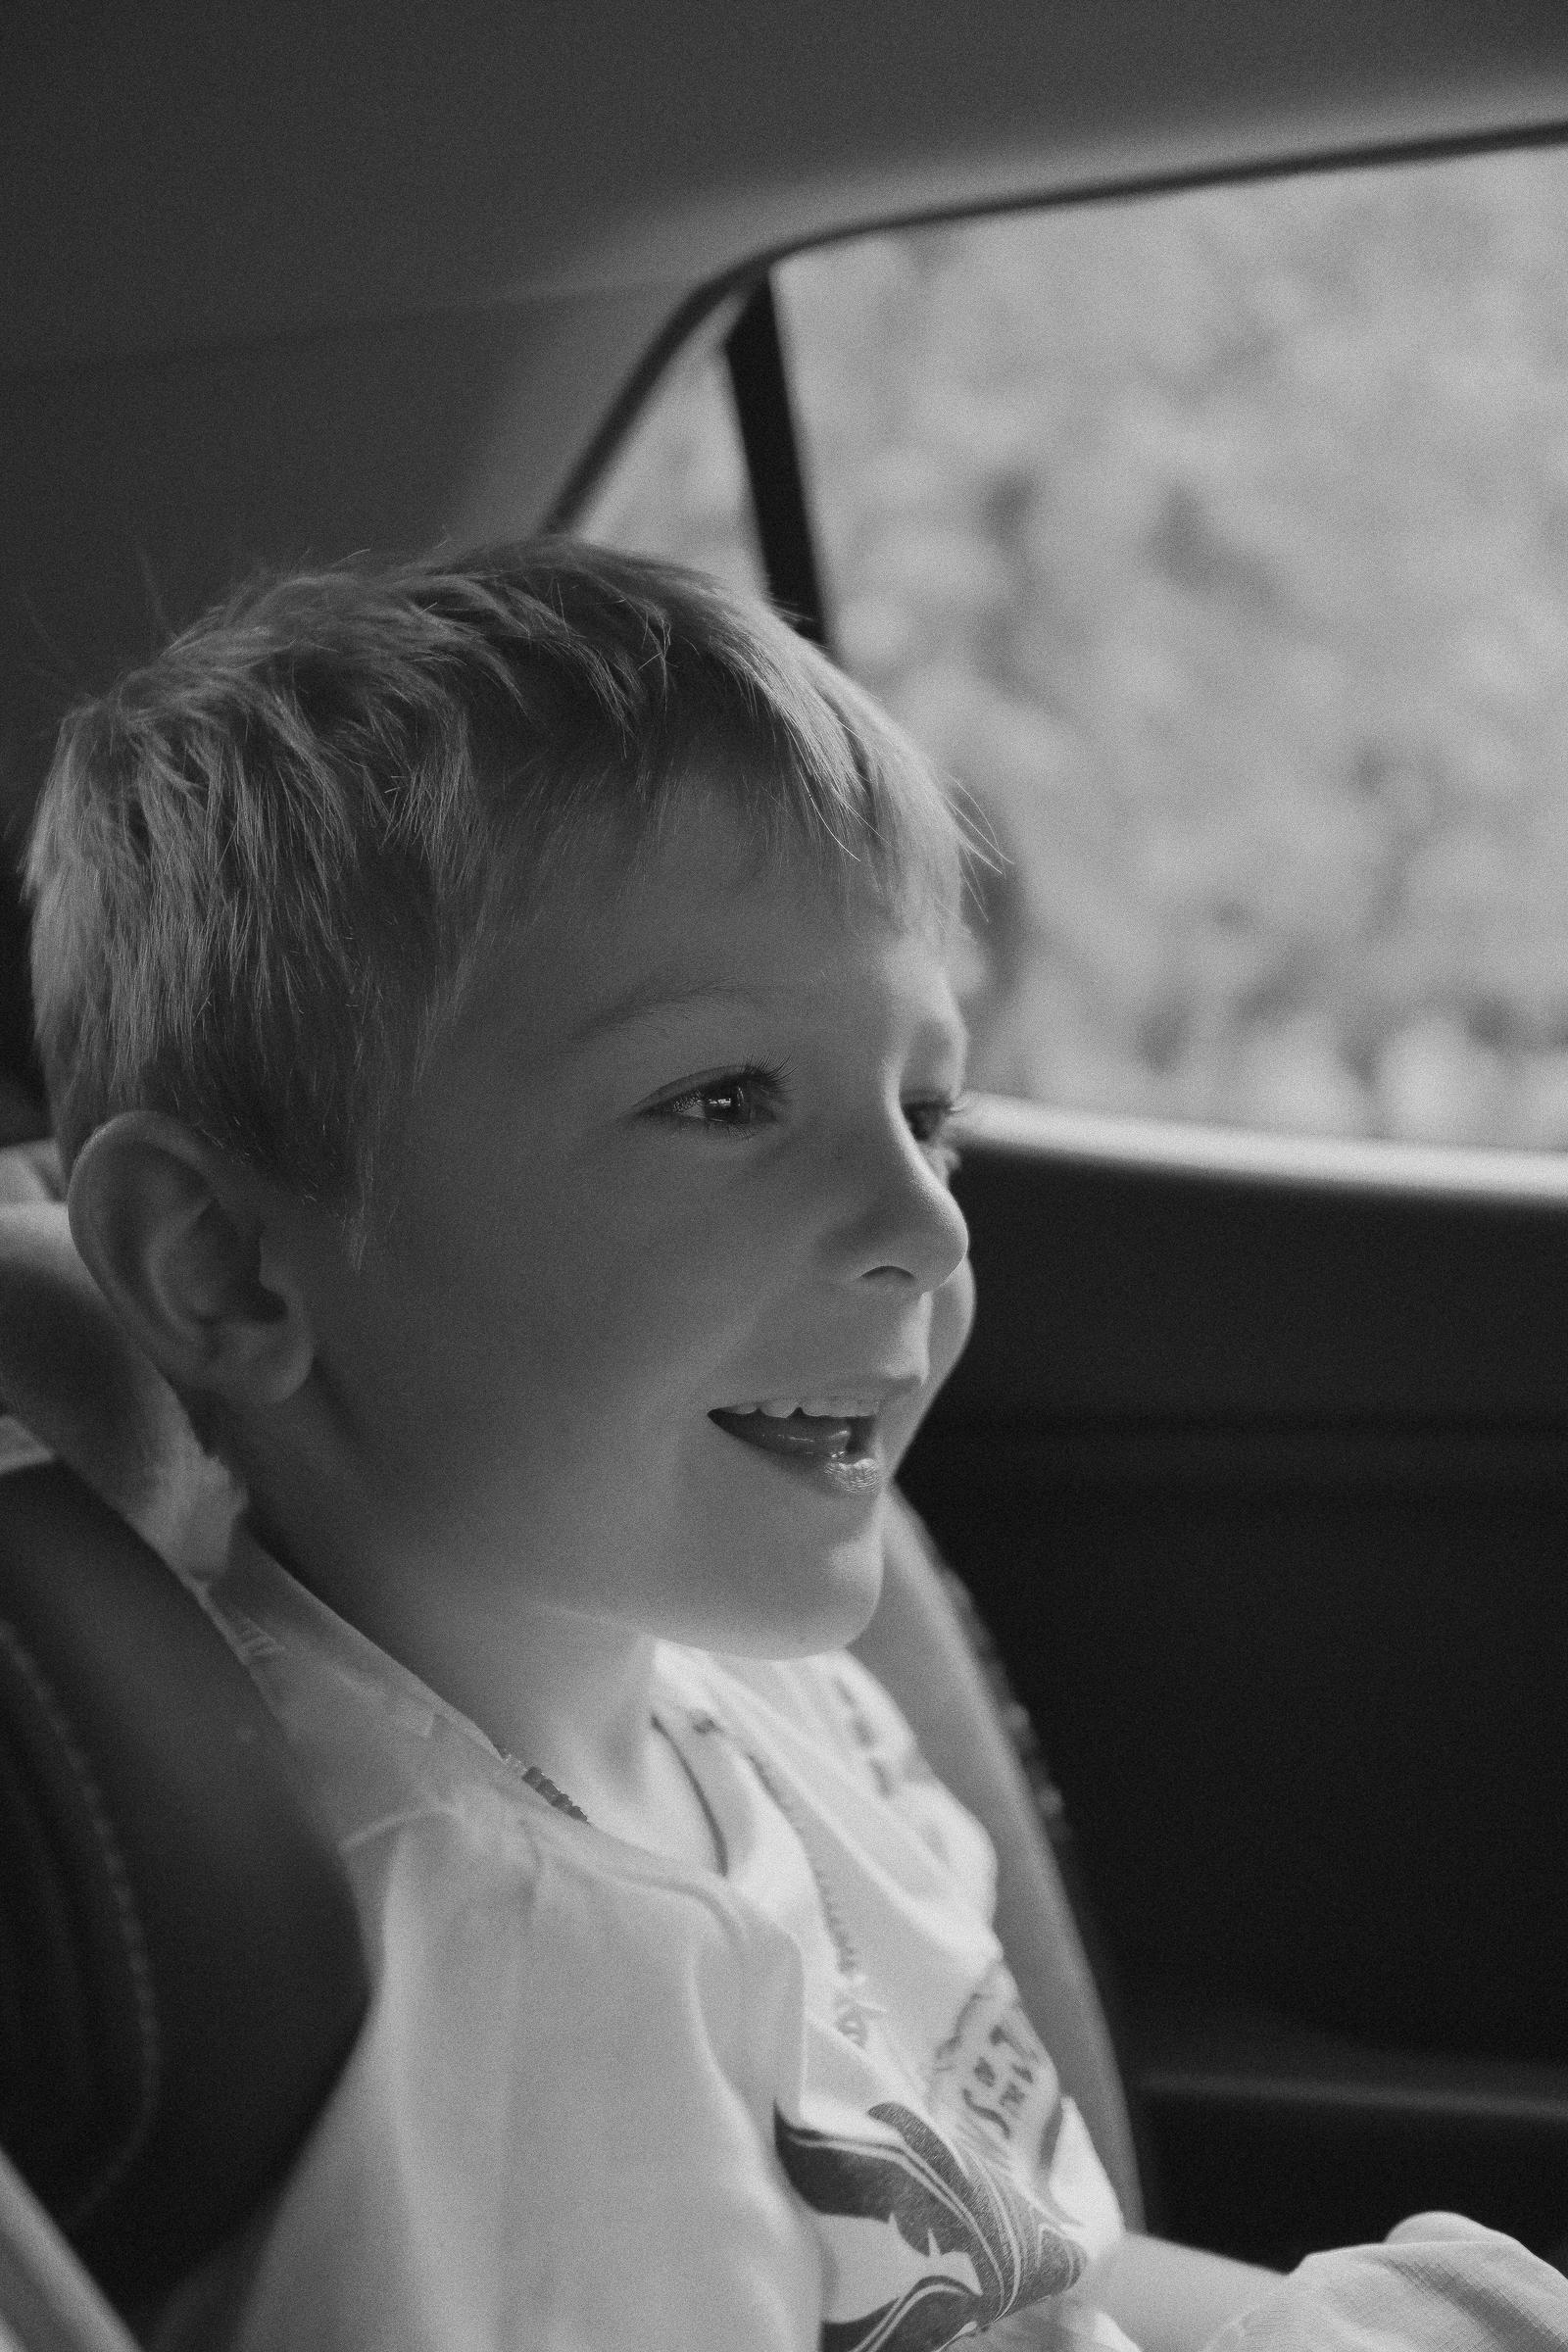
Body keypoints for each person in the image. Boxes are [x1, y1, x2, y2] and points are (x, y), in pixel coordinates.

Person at [24, 544, 1565, 2352]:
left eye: (929, 1111)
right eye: (725, 1099)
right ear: (219, 1265)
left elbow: (1019, 2264)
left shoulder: (742, 1693)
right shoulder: (522, 1982)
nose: (923, 1222)